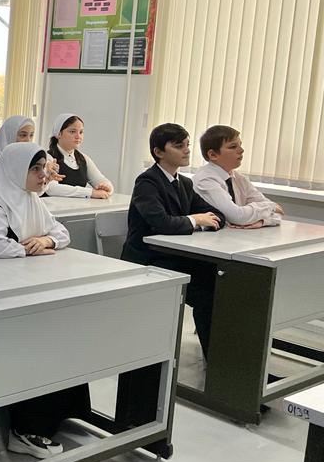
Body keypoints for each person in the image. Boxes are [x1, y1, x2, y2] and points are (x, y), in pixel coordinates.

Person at [0, 142, 88, 457]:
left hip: (34, 285)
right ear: (15, 171)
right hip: (4, 296)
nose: (43, 175)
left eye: (43, 168)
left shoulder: (33, 201)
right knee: (38, 344)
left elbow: (62, 233)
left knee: (63, 335)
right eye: (35, 169)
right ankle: (26, 427)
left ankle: (60, 412)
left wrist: (45, 240)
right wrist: (27, 249)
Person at [122, 123, 223, 358]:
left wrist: (200, 221)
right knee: (207, 291)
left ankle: (220, 360)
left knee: (219, 282)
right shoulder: (147, 182)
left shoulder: (185, 183)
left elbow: (217, 216)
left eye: (187, 145)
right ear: (158, 152)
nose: (186, 150)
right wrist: (196, 220)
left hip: (176, 257)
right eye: (179, 146)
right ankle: (214, 359)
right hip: (149, 260)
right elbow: (162, 223)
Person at [193, 125, 283, 228]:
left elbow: (278, 213)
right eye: (233, 147)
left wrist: (262, 221)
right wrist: (270, 207)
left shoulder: (238, 178)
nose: (241, 150)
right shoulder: (205, 180)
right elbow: (237, 217)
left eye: (240, 145)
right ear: (213, 155)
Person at [43, 113, 114, 199]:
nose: (78, 136)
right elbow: (52, 189)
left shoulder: (84, 158)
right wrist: (90, 192)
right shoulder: (47, 158)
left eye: (81, 132)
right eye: (72, 132)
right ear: (59, 134)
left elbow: (101, 179)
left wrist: (107, 187)